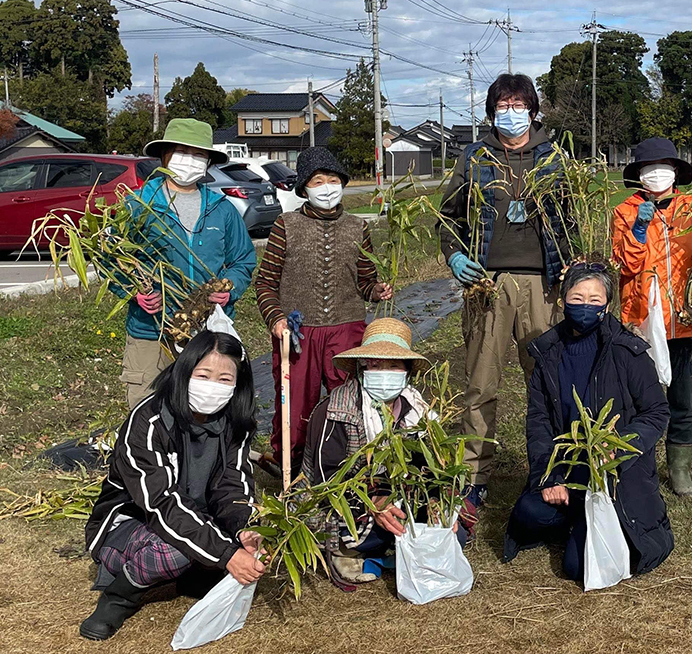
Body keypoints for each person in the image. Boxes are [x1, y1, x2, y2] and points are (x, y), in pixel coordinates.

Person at [439, 73, 569, 520]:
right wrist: (456, 257)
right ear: (491, 111)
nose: (510, 113)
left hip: (544, 285)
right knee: (480, 383)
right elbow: (447, 217)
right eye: (502, 105)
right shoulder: (474, 158)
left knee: (548, 381)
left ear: (533, 111)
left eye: (519, 105)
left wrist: (574, 271)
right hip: (487, 283)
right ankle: (473, 480)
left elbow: (573, 217)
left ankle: (550, 471)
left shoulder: (554, 157)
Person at [80, 331, 261, 641]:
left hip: (195, 517)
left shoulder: (235, 421)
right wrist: (227, 554)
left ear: (237, 383)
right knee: (177, 548)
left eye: (224, 379)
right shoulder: (148, 423)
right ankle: (117, 598)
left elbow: (233, 485)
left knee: (238, 540)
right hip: (134, 522)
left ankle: (195, 574)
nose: (212, 387)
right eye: (203, 375)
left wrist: (245, 528)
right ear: (184, 371)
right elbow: (162, 505)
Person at [503, 263, 674, 583]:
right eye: (577, 297)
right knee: (528, 512)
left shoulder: (628, 351)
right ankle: (574, 516)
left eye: (595, 300)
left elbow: (656, 412)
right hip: (568, 471)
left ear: (607, 305)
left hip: (613, 475)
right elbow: (539, 421)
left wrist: (620, 444)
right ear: (563, 300)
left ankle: (597, 520)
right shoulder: (548, 353)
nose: (585, 306)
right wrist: (547, 474)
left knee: (575, 568)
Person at [253, 147, 391, 471]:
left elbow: (365, 281)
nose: (326, 187)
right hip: (298, 332)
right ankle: (290, 464)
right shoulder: (285, 225)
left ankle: (345, 464)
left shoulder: (358, 227)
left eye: (333, 179)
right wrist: (275, 318)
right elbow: (265, 284)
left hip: (347, 329)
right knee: (295, 404)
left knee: (349, 400)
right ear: (304, 188)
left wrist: (377, 290)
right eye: (318, 180)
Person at [611, 137, 692, 498]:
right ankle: (634, 466)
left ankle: (679, 470)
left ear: (676, 171)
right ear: (639, 174)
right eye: (649, 168)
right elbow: (625, 264)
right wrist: (640, 230)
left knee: (684, 396)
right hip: (642, 317)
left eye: (664, 167)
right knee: (638, 398)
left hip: (687, 316)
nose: (657, 174)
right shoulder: (625, 212)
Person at [115, 118, 256, 407]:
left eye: (198, 155)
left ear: (207, 162)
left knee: (203, 404)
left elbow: (242, 260)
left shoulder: (222, 209)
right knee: (147, 406)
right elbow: (114, 260)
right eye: (182, 152)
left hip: (207, 331)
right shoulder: (139, 205)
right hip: (151, 329)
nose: (189, 161)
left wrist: (231, 289)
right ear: (165, 156)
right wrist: (134, 292)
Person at [301, 318, 449, 587]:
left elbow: (430, 468)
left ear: (406, 372)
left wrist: (439, 502)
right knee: (372, 532)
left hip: (396, 496)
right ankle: (346, 549)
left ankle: (385, 547)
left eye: (392, 365)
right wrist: (374, 502)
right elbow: (327, 480)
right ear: (362, 367)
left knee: (447, 533)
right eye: (375, 364)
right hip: (347, 501)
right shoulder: (335, 410)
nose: (383, 371)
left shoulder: (417, 411)